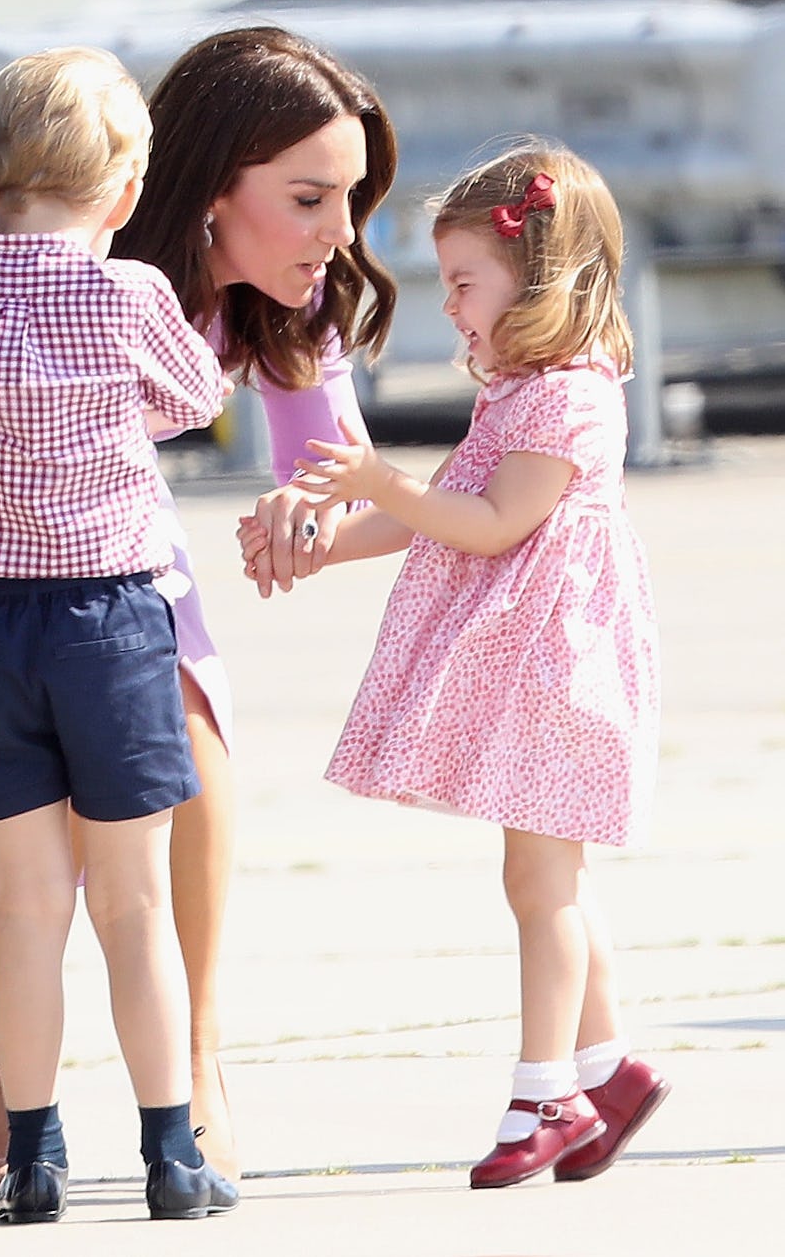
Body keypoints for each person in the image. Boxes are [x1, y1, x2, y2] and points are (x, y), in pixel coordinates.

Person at [0, 25, 397, 1196]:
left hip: (110, 573)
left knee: (188, 757)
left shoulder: (294, 305)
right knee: (47, 858)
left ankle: (190, 1063)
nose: (338, 234)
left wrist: (303, 521)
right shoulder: (9, 252)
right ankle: (21, 1044)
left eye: (349, 198)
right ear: (199, 189)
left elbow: (353, 484)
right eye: (309, 198)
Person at [246, 136, 670, 1188]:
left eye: (464, 284)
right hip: (528, 666)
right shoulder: (520, 389)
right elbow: (437, 513)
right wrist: (320, 545)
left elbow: (488, 522)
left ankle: (547, 1092)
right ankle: (607, 1068)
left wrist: (377, 482)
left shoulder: (571, 395)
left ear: (537, 281)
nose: (450, 307)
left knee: (541, 881)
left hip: (559, 666)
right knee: (548, 875)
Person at [0, 46, 241, 1223]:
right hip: (114, 619)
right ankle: (173, 1154)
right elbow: (196, 400)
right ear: (125, 195)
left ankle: (32, 1158)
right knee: (132, 904)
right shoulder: (127, 293)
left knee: (22, 909)